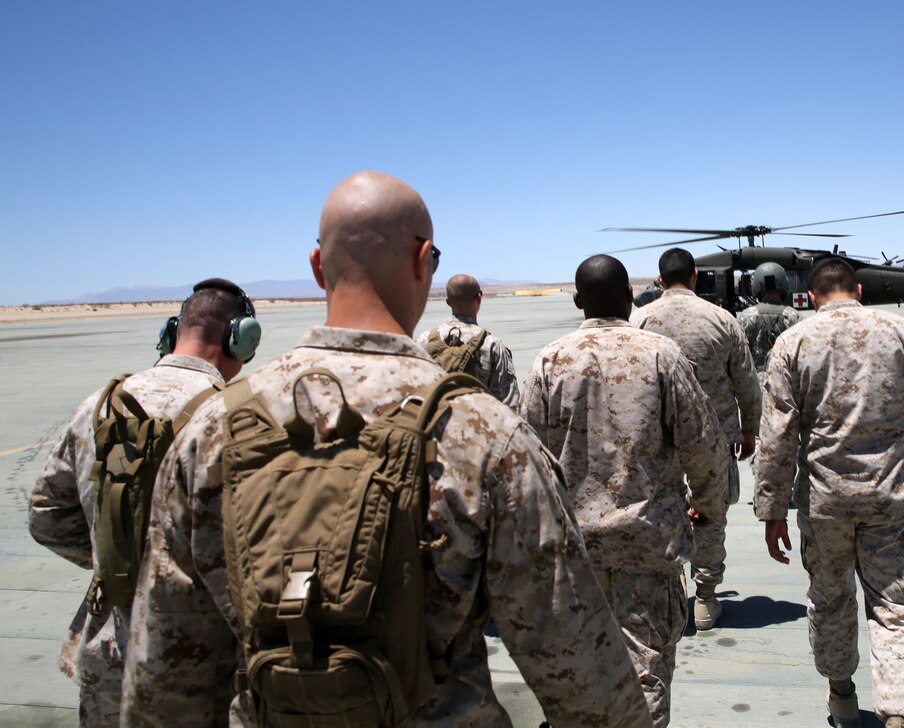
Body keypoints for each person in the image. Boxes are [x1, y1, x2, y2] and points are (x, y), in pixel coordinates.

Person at [120, 172, 651, 728]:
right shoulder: (483, 432)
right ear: (424, 260)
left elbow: (165, 675)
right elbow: (580, 669)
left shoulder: (211, 430)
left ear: (317, 266)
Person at [27, 278, 258, 727]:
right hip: (205, 664)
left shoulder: (102, 405)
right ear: (242, 338)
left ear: (172, 332)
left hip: (111, 654)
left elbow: (46, 516)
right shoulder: (239, 416)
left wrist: (115, 559)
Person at [520, 254, 729, 727]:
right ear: (630, 296)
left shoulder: (550, 361)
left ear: (577, 301)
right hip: (647, 547)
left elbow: (524, 458)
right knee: (646, 676)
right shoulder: (659, 354)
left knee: (579, 676)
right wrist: (707, 506)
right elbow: (704, 443)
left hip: (575, 554)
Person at [755, 256, 904, 728]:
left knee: (829, 598)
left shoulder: (793, 342)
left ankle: (842, 697)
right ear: (858, 291)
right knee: (898, 609)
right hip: (893, 499)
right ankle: (902, 715)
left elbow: (777, 435)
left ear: (814, 296)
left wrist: (771, 509)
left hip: (824, 504)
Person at [631, 247, 761, 631]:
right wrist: (750, 430)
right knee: (711, 514)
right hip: (713, 436)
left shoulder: (639, 320)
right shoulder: (722, 320)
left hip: (658, 439)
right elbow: (747, 384)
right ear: (695, 277)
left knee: (661, 510)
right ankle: (705, 598)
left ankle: (672, 586)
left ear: (659, 280)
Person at [416, 273, 520, 407]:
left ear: (448, 302)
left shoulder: (424, 340)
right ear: (479, 298)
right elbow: (509, 402)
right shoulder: (492, 345)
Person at [737, 261, 801, 380]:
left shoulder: (745, 316)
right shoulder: (793, 316)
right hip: (786, 382)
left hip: (755, 383)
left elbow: (738, 356)